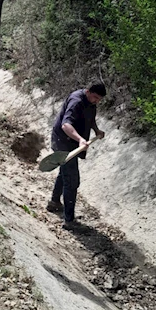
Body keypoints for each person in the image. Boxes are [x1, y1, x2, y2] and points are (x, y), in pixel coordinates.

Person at [47, 81, 106, 227]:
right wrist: (80, 139)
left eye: (99, 99)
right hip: (62, 141)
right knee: (72, 181)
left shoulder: (90, 102)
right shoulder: (76, 101)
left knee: (65, 172)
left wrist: (96, 130)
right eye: (95, 98)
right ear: (87, 92)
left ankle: (54, 202)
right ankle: (69, 220)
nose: (96, 101)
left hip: (71, 142)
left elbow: (90, 118)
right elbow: (66, 125)